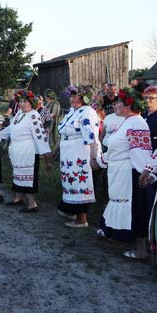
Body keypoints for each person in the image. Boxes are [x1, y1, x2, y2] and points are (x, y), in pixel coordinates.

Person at [96, 88, 153, 260]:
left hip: (131, 173)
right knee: (127, 207)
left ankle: (141, 250)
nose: (116, 105)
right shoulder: (126, 122)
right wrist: (101, 161)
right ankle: (118, 236)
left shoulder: (137, 123)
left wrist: (143, 173)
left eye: (119, 102)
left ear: (128, 105)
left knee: (135, 209)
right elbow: (116, 147)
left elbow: (141, 151)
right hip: (120, 171)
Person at [57, 85, 101, 228]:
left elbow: (91, 135)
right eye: (71, 96)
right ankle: (72, 210)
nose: (72, 99)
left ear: (84, 98)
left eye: (75, 96)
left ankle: (82, 219)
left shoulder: (88, 112)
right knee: (72, 181)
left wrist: (94, 157)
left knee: (82, 181)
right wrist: (55, 150)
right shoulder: (71, 111)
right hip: (69, 154)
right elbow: (63, 131)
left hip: (81, 152)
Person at [0, 90, 51, 212]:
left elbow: (40, 134)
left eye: (25, 102)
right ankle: (18, 198)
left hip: (28, 151)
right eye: (21, 102)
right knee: (18, 174)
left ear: (31, 103)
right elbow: (11, 128)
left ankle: (32, 204)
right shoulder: (19, 114)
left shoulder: (33, 115)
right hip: (18, 149)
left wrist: (45, 151)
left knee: (27, 177)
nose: (22, 104)